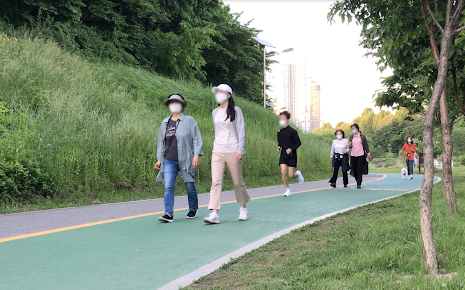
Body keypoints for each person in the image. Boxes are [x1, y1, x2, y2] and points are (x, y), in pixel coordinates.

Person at [204, 84, 250, 224]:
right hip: (217, 150)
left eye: (221, 91)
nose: (218, 94)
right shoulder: (215, 112)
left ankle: (243, 208)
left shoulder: (236, 111)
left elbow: (241, 130)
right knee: (216, 181)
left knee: (237, 182)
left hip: (233, 150)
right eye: (217, 92)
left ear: (229, 94)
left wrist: (240, 149)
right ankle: (214, 213)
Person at [154, 94, 203, 223]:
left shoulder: (189, 121)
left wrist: (196, 155)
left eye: (177, 102)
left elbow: (196, 138)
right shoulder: (165, 122)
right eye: (171, 102)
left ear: (182, 105)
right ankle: (168, 214)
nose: (174, 104)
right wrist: (159, 159)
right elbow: (161, 142)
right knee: (168, 186)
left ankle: (193, 208)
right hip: (169, 160)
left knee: (190, 186)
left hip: (186, 159)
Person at [277, 111, 304, 196]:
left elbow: (298, 142)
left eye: (283, 119)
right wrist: (278, 147)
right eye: (280, 119)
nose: (281, 120)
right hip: (283, 155)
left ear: (287, 120)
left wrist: (291, 149)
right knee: (283, 171)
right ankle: (287, 189)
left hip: (292, 156)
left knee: (291, 175)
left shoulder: (292, 131)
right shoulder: (279, 132)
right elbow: (280, 142)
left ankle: (298, 174)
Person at [348, 124, 370, 189]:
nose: (353, 130)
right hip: (353, 154)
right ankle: (357, 179)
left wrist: (368, 154)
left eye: (354, 128)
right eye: (352, 129)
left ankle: (359, 183)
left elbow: (366, 145)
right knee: (354, 169)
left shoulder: (362, 136)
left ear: (357, 128)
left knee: (359, 169)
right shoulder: (351, 137)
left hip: (361, 154)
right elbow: (349, 146)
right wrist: (349, 145)